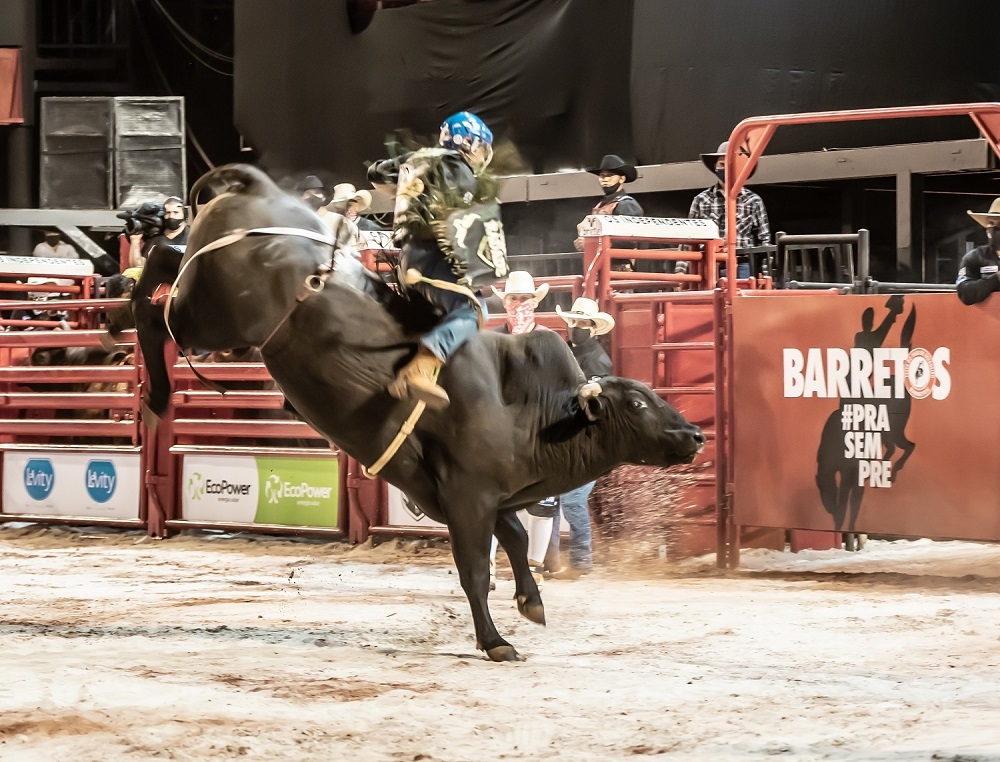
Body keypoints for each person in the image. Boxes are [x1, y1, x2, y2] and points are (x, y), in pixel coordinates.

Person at [369, 110, 508, 410]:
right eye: (481, 146)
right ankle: (421, 366)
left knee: (425, 318)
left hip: (405, 260)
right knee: (473, 309)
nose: (482, 155)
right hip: (433, 258)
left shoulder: (416, 159)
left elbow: (376, 173)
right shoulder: (457, 166)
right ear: (467, 142)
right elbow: (463, 219)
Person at [487, 271, 554, 588]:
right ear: (506, 302)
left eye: (524, 299)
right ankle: (485, 567)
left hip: (538, 429)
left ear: (534, 302)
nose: (519, 304)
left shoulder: (548, 341)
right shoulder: (494, 340)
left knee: (542, 501)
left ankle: (534, 567)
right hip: (500, 431)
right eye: (514, 298)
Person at [544, 296, 615, 578]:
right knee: (550, 501)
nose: (576, 326)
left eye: (582, 322)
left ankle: (579, 561)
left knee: (569, 501)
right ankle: (552, 560)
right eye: (573, 321)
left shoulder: (597, 361)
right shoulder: (570, 353)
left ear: (593, 328)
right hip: (569, 438)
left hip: (586, 441)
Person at [688, 141, 771, 277]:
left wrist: (766, 272)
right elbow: (689, 238)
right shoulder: (701, 200)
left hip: (743, 262)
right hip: (711, 263)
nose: (726, 168)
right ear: (715, 167)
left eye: (731, 163)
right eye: (722, 164)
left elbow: (764, 239)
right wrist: (681, 270)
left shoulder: (753, 200)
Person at [574, 154, 644, 261]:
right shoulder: (601, 205)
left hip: (619, 265)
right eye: (602, 176)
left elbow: (627, 239)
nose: (605, 179)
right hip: (601, 264)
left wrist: (590, 243)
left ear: (622, 179)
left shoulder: (627, 205)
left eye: (610, 175)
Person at [957, 198, 1000, 306]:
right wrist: (996, 279)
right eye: (991, 223)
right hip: (987, 321)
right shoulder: (975, 257)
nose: (995, 229)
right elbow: (965, 293)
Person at [128, 196, 189, 269]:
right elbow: (138, 266)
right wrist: (135, 241)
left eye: (176, 212)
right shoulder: (156, 238)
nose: (171, 216)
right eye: (168, 213)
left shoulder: (192, 235)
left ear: (184, 214)